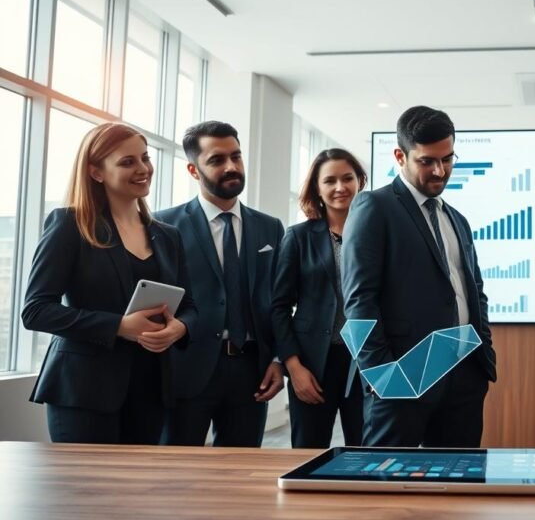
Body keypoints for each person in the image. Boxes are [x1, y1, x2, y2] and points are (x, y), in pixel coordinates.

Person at [23, 122, 195, 444]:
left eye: (145, 158)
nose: (143, 169)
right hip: (83, 390)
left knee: (136, 493)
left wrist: (179, 328)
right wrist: (119, 326)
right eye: (127, 162)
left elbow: (189, 305)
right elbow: (36, 311)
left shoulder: (168, 235)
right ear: (96, 172)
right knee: (87, 493)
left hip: (150, 389)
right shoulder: (69, 225)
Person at [342, 105, 496, 448]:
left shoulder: (457, 219)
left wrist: (483, 352)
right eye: (427, 161)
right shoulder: (374, 207)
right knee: (388, 485)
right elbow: (358, 299)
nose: (440, 170)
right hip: (401, 376)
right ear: (400, 155)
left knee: (460, 482)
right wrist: (380, 375)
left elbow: (475, 292)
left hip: (465, 374)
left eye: (448, 158)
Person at [155, 121, 285, 447]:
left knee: (240, 476)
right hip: (185, 369)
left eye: (236, 157)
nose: (231, 167)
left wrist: (277, 359)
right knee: (176, 475)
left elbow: (279, 301)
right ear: (193, 169)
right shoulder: (163, 224)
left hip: (251, 372)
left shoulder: (270, 228)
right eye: (216, 160)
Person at [271, 149, 367, 448]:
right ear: (317, 188)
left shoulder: (375, 232)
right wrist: (294, 368)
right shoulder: (298, 236)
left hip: (364, 362)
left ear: (360, 181)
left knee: (367, 454)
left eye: (347, 178)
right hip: (313, 363)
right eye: (330, 181)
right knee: (307, 453)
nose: (340, 187)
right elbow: (279, 306)